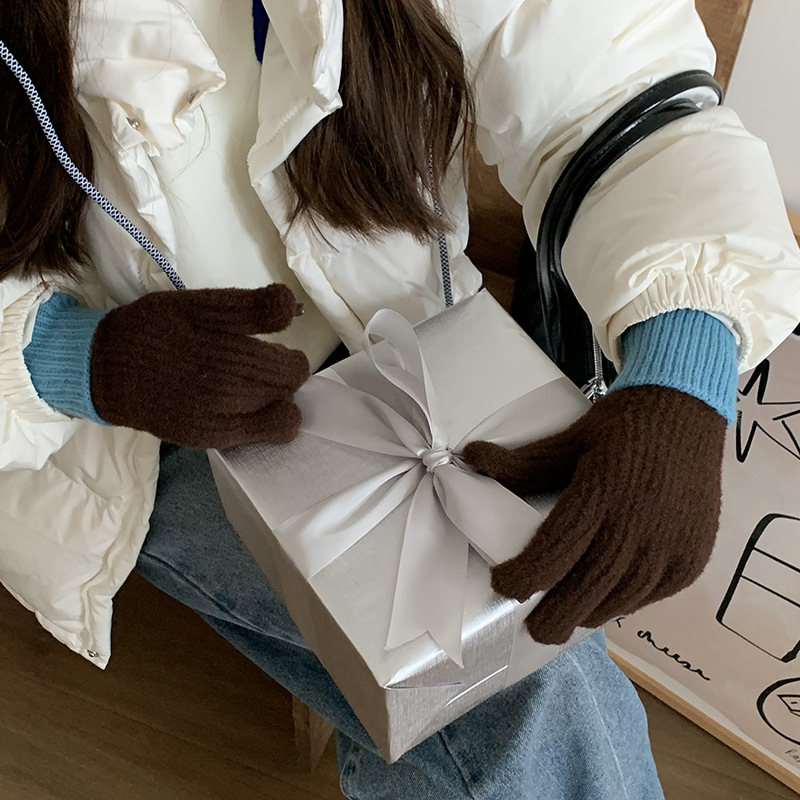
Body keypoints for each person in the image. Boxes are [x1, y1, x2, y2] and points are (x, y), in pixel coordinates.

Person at [2, 0, 799, 797]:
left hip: (421, 346)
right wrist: (75, 358)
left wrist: (683, 360)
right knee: (514, 684)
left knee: (503, 656)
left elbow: (605, 83)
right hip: (128, 431)